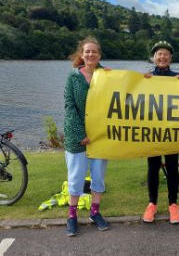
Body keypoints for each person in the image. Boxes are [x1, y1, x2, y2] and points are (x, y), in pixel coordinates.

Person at [63, 37, 110, 237]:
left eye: (94, 52)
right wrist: (80, 134)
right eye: (87, 51)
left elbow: (128, 91)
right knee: (76, 178)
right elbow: (70, 107)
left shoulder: (107, 76)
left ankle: (95, 213)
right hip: (78, 137)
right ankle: (72, 217)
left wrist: (149, 79)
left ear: (99, 55)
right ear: (81, 55)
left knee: (98, 176)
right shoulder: (73, 78)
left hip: (100, 136)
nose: (91, 55)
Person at [142, 41, 179, 224]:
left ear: (170, 58)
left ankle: (173, 204)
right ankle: (152, 203)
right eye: (159, 54)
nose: (162, 57)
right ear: (153, 57)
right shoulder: (146, 77)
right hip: (152, 130)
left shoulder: (178, 78)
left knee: (172, 166)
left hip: (172, 130)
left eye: (166, 54)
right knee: (152, 167)